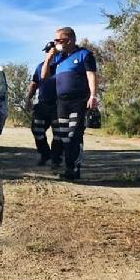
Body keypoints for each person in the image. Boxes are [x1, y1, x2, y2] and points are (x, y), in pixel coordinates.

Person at [42, 26, 98, 181]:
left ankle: (73, 168)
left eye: (60, 40)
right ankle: (70, 168)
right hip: (62, 103)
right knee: (64, 137)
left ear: (71, 39)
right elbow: (44, 76)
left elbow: (91, 75)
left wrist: (93, 95)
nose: (57, 43)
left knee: (74, 135)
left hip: (79, 101)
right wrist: (48, 58)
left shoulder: (84, 55)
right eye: (55, 41)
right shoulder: (59, 58)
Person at [26, 60, 63, 167]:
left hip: (58, 105)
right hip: (42, 104)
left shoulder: (62, 65)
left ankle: (57, 158)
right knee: (37, 130)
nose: (49, 53)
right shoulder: (40, 66)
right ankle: (45, 154)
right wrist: (28, 98)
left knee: (58, 134)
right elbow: (34, 83)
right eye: (47, 51)